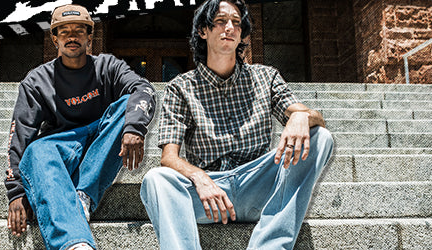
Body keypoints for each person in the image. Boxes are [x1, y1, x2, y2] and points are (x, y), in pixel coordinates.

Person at [139, 0, 335, 249]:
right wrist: (198, 176)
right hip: (210, 195)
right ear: (203, 31)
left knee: (321, 137)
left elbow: (313, 116)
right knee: (156, 179)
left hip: (259, 187)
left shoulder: (266, 77)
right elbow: (168, 158)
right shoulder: (181, 87)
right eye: (220, 21)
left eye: (236, 22)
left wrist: (301, 116)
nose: (229, 27)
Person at [3, 4, 156, 250]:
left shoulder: (108, 67)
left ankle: (82, 196)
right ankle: (76, 245)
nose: (72, 37)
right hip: (59, 149)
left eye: (79, 31)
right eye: (64, 32)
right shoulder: (37, 81)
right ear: (54, 38)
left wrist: (134, 128)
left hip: (100, 147)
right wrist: (17, 192)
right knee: (36, 151)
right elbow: (20, 137)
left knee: (128, 104)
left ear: (89, 37)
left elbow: (144, 89)